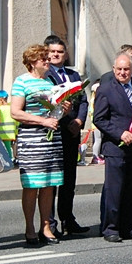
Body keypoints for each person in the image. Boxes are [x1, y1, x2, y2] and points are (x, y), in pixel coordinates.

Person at [10, 44, 66, 246]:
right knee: (33, 184)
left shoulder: (51, 81)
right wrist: (42, 121)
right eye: (44, 59)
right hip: (32, 139)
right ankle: (29, 227)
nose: (48, 61)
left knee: (49, 184)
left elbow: (55, 112)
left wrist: (63, 108)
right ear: (33, 62)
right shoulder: (21, 82)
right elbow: (15, 112)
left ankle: (46, 226)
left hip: (51, 138)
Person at [93, 52, 132, 242]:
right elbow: (99, 119)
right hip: (116, 146)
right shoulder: (106, 89)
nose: (123, 73)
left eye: (127, 69)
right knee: (114, 190)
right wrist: (120, 133)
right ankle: (111, 228)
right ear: (113, 69)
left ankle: (129, 227)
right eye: (119, 69)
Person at [43, 35, 90, 236]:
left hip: (72, 133)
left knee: (69, 179)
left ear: (65, 54)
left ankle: (67, 219)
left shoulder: (73, 75)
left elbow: (84, 101)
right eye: (52, 51)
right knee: (53, 180)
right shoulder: (45, 75)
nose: (56, 55)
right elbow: (47, 103)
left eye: (60, 51)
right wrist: (64, 121)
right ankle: (50, 223)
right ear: (46, 53)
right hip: (55, 133)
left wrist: (79, 121)